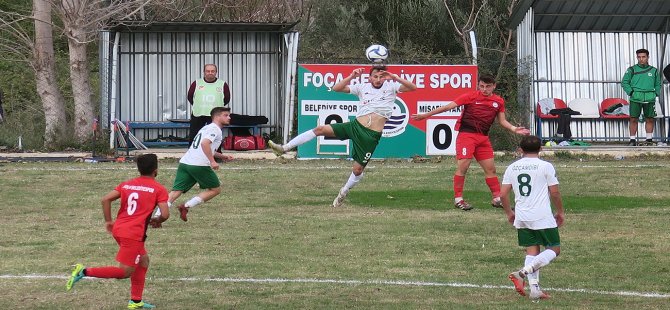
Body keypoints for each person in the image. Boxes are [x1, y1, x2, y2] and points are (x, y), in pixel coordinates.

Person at [268, 65, 417, 207]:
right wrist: (352, 76)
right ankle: (284, 148)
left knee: (358, 170)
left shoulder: (391, 87)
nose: (378, 79)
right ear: (369, 78)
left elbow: (413, 88)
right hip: (355, 126)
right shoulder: (362, 87)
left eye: (381, 77)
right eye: (375, 76)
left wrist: (394, 77)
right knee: (320, 129)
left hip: (370, 136)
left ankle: (343, 192)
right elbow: (336, 88)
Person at [66, 154, 169, 309]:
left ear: (139, 169)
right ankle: (84, 271)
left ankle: (135, 301)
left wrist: (108, 221)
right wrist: (158, 220)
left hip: (120, 229)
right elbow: (165, 214)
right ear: (156, 170)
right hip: (133, 234)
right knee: (125, 271)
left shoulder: (127, 185)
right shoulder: (159, 189)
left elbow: (105, 199)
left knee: (143, 260)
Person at [412, 74, 530, 211]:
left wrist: (514, 128)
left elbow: (502, 121)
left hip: (483, 139)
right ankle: (458, 199)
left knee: (491, 169)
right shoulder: (470, 97)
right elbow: (447, 107)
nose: (484, 89)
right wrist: (425, 115)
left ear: (494, 86)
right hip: (466, 136)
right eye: (481, 86)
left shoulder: (498, 101)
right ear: (478, 85)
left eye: (488, 86)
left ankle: (497, 198)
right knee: (463, 167)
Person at [501, 135, 564, 301]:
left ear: (520, 150)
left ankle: (535, 290)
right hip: (542, 215)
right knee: (554, 249)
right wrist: (560, 212)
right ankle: (522, 273)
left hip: (522, 215)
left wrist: (509, 213)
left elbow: (503, 194)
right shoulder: (545, 166)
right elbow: (555, 192)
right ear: (541, 149)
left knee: (532, 250)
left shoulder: (512, 167)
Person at [160, 106, 233, 222]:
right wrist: (213, 161)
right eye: (226, 115)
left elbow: (204, 147)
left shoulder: (205, 128)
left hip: (185, 163)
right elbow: (205, 144)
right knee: (215, 190)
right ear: (217, 116)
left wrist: (222, 156)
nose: (229, 118)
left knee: (175, 192)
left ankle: (157, 216)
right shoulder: (215, 129)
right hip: (198, 165)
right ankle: (186, 206)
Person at [621, 48, 662, 146]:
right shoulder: (631, 69)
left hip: (649, 98)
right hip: (635, 98)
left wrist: (656, 93)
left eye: (643, 57)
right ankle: (632, 140)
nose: (641, 59)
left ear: (648, 57)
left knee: (649, 119)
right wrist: (631, 92)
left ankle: (649, 140)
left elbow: (658, 84)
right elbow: (624, 82)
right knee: (633, 119)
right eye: (639, 57)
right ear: (637, 57)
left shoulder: (654, 70)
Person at [188, 63, 231, 143]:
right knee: (194, 136)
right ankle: (193, 154)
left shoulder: (222, 84)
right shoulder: (196, 83)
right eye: (208, 71)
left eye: (212, 71)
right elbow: (190, 97)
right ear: (204, 72)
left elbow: (226, 99)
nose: (210, 73)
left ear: (216, 72)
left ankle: (216, 154)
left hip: (216, 115)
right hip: (199, 113)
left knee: (215, 136)